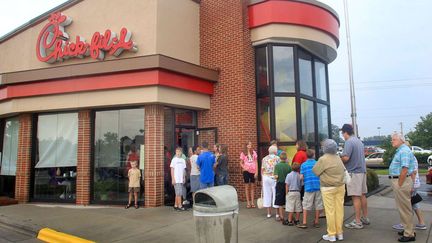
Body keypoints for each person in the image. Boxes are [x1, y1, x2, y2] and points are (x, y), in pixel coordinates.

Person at [313, 139, 346, 242]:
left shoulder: (323, 159)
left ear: (325, 148)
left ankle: (331, 234)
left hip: (328, 188)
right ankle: (339, 233)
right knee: (339, 210)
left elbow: (315, 171)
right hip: (340, 187)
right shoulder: (338, 158)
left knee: (330, 211)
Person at [340, 124, 369, 229]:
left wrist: (338, 159)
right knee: (362, 195)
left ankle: (357, 222)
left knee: (355, 197)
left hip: (354, 172)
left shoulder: (348, 142)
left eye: (342, 133)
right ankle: (365, 218)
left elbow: (346, 158)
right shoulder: (358, 141)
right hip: (362, 171)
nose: (343, 136)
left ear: (345, 132)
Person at [388, 133, 416, 242]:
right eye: (392, 139)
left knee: (405, 209)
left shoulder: (403, 151)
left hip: (401, 182)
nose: (392, 141)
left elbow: (405, 169)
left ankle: (409, 234)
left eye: (394, 139)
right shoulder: (402, 150)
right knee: (404, 208)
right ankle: (407, 229)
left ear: (401, 140)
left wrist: (399, 184)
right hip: (402, 181)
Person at [392, 151, 427, 231]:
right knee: (414, 203)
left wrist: (412, 185)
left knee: (406, 204)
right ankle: (421, 223)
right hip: (414, 183)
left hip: (411, 183)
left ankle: (405, 224)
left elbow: (412, 172)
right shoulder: (412, 157)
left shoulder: (408, 157)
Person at [298, 149, 323, 229]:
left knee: (306, 205)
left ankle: (304, 222)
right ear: (313, 155)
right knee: (318, 204)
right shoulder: (317, 163)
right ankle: (316, 222)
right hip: (318, 186)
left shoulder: (303, 165)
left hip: (308, 187)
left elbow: (301, 177)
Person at [261, 145, 280, 218]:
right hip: (274, 177)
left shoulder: (264, 158)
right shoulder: (277, 158)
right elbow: (278, 168)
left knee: (267, 194)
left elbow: (262, 170)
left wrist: (262, 179)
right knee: (276, 195)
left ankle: (268, 213)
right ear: (275, 151)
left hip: (266, 177)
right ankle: (277, 213)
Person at [274, 152, 291, 224]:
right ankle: (290, 216)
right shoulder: (288, 166)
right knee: (287, 200)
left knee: (280, 202)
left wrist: (275, 177)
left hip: (280, 184)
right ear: (286, 158)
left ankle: (281, 216)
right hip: (287, 184)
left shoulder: (277, 166)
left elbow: (276, 176)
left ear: (280, 158)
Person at [240, 141, 258, 208]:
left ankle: (253, 202)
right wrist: (244, 167)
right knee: (247, 187)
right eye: (248, 144)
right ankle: (248, 202)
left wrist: (256, 172)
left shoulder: (254, 152)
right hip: (246, 171)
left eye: (250, 144)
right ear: (246, 145)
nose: (250, 145)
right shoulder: (243, 153)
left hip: (253, 171)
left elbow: (256, 162)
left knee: (252, 187)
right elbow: (241, 163)